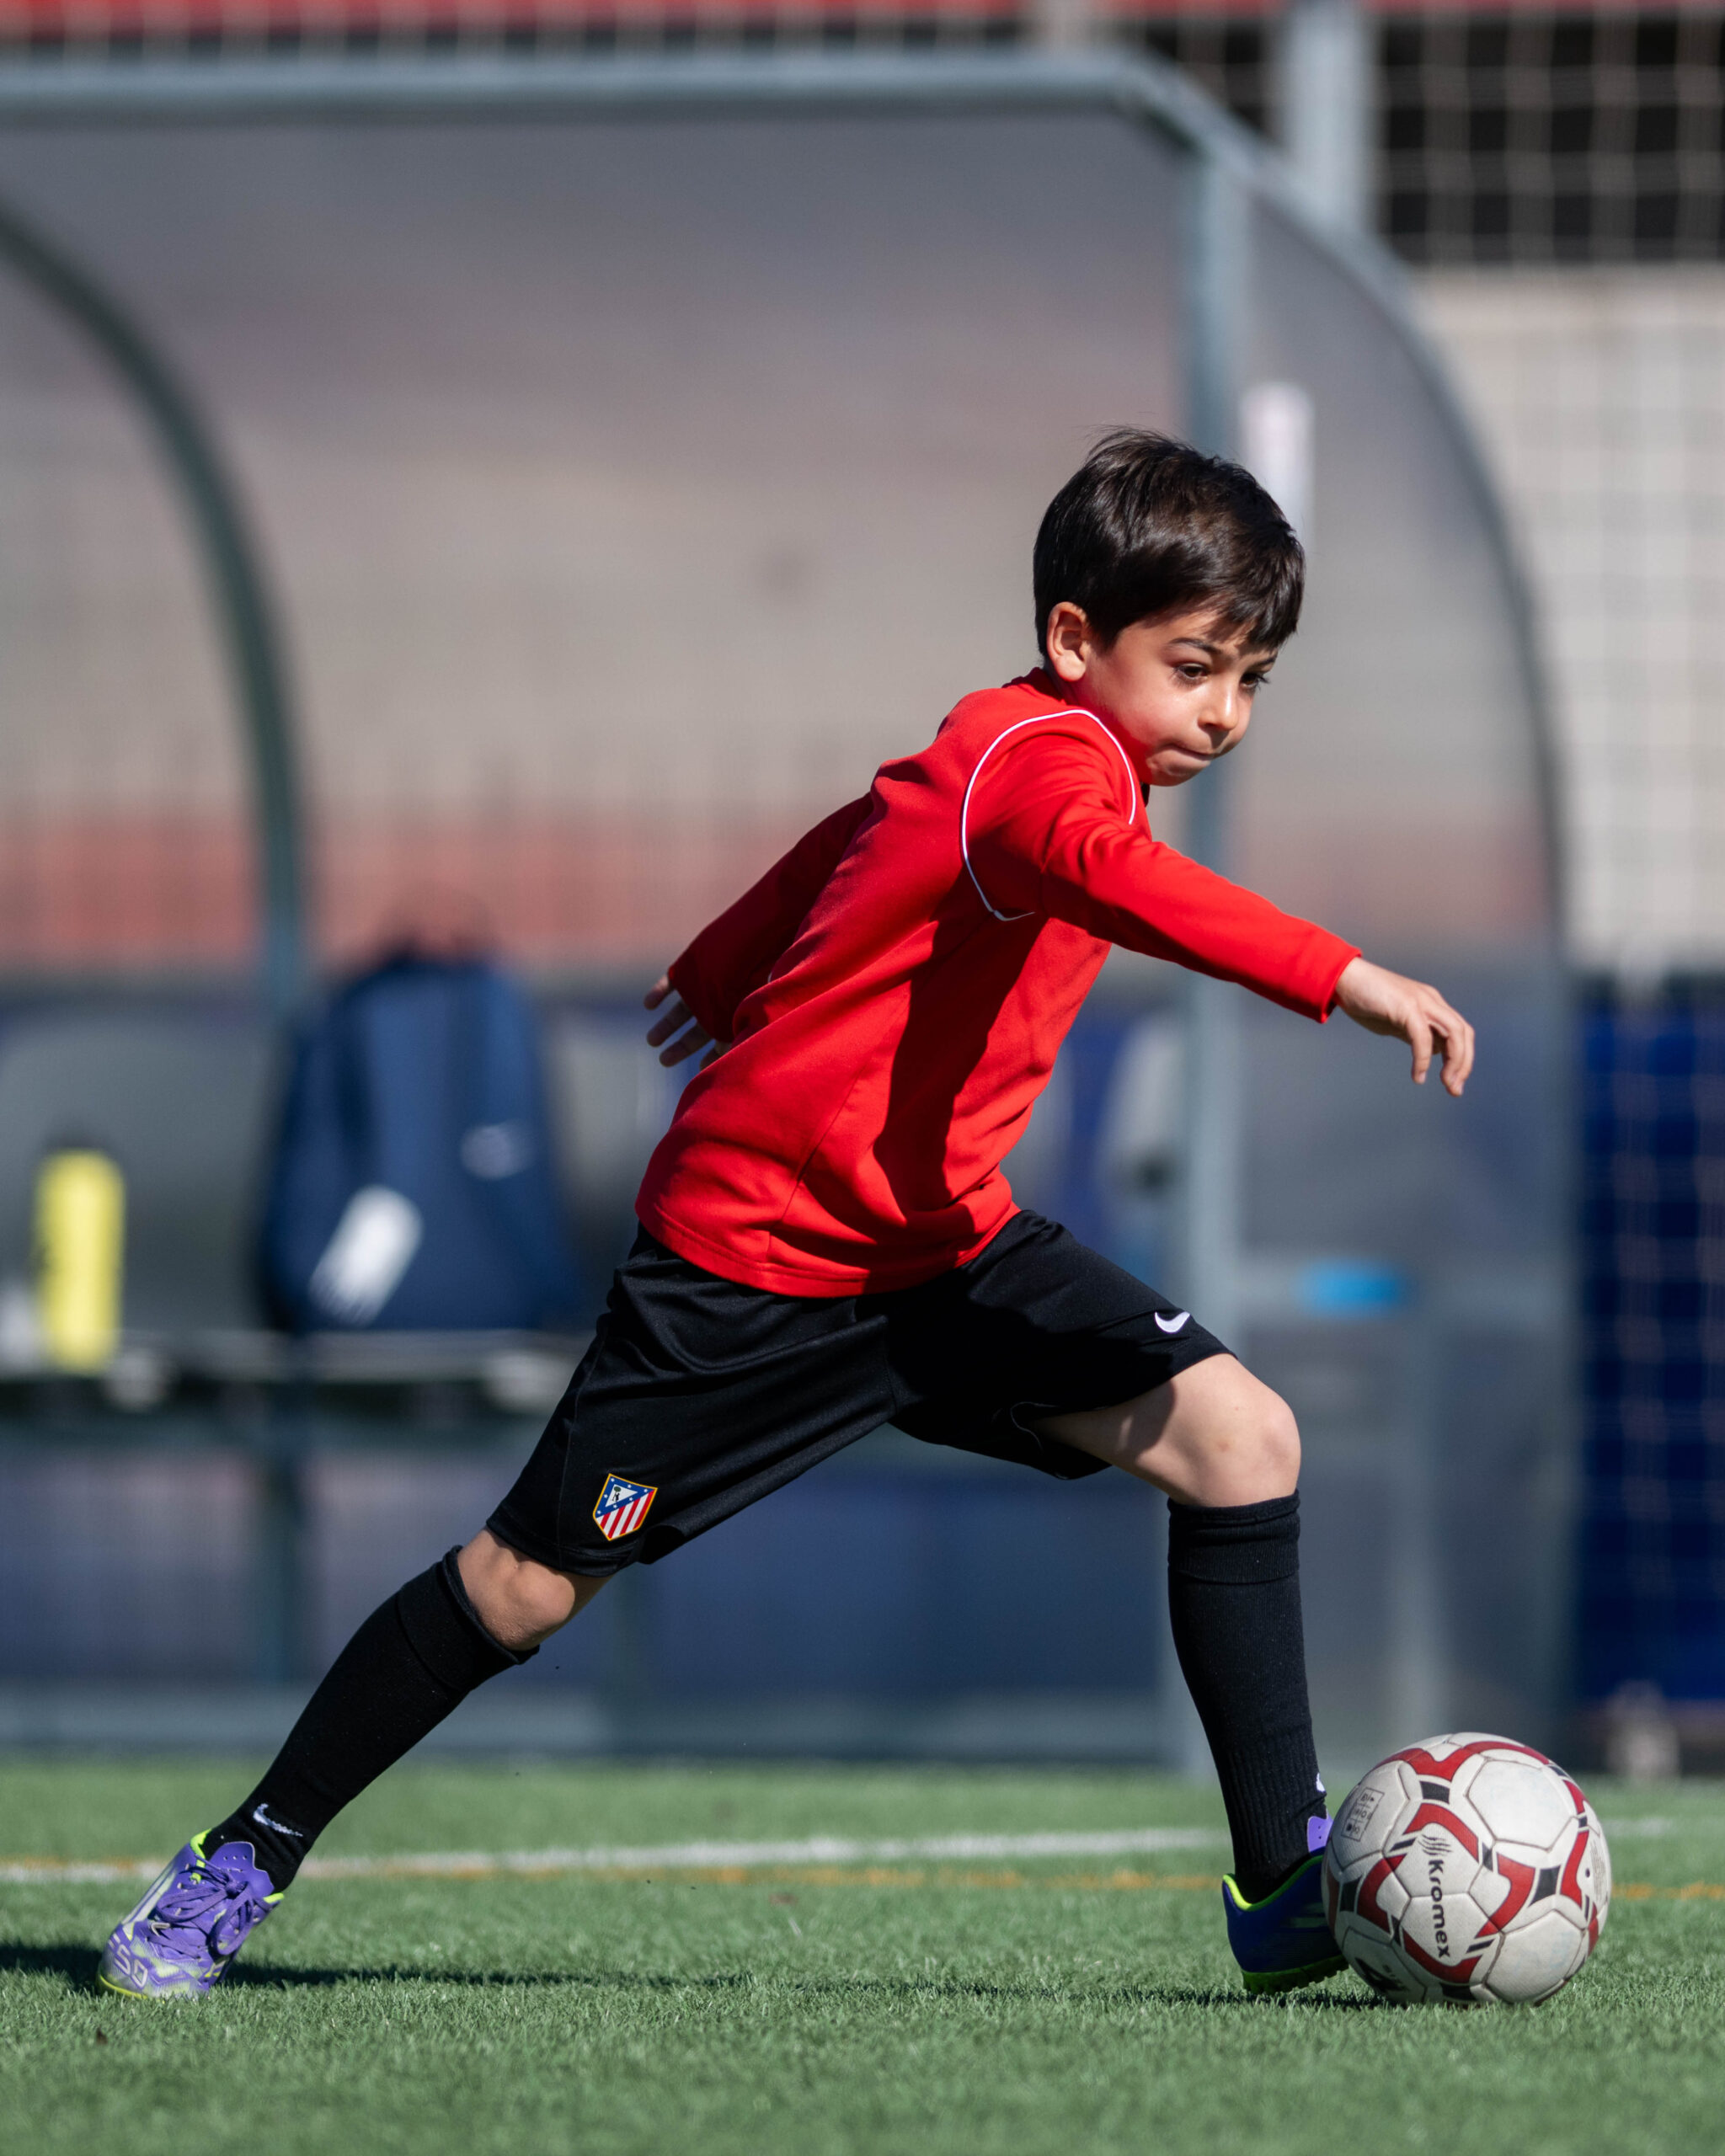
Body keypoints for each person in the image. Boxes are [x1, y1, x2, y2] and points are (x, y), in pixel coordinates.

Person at [98, 430, 1473, 2002]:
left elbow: (865, 821)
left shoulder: (1012, 745)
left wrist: (732, 951)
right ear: (1073, 639)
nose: (1225, 714)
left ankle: (1284, 1889)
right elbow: (1109, 879)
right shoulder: (1044, 775)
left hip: (944, 1256)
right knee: (521, 1589)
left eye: (1253, 680)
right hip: (748, 1271)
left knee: (1242, 1441)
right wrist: (1341, 974)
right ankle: (242, 1856)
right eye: (1197, 669)